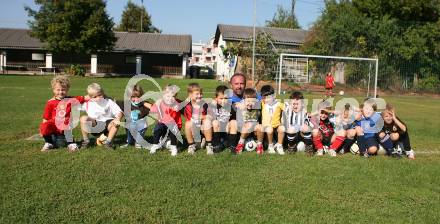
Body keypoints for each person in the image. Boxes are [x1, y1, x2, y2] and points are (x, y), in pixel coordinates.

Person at [40, 75, 87, 152]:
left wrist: (99, 95)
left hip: (66, 124)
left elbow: (85, 98)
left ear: (67, 89)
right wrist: (43, 130)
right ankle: (49, 143)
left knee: (66, 122)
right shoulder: (50, 102)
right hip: (54, 125)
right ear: (53, 90)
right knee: (45, 125)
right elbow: (46, 118)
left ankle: (71, 143)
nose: (61, 92)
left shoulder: (71, 99)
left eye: (63, 90)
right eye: (58, 90)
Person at [80, 83, 123, 149]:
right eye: (95, 97)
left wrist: (118, 118)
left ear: (102, 93)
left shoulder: (108, 101)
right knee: (83, 118)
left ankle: (108, 143)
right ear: (90, 97)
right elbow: (73, 103)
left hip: (108, 126)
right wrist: (83, 98)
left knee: (116, 122)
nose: (98, 98)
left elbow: (119, 112)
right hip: (95, 126)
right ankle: (86, 141)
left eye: (100, 95)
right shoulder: (88, 103)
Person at [147, 84, 182, 156]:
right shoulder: (160, 102)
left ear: (176, 97)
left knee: (173, 129)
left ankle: (174, 147)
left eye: (173, 96)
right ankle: (155, 145)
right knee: (157, 128)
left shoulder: (176, 103)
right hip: (163, 123)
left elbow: (180, 106)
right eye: (168, 96)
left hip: (174, 124)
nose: (170, 98)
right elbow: (152, 110)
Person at [205, 85, 237, 153]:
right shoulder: (212, 105)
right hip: (217, 129)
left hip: (227, 130)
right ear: (216, 98)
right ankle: (217, 145)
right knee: (215, 122)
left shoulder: (232, 106)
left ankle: (232, 146)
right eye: (221, 98)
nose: (223, 101)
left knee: (234, 122)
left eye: (226, 98)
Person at [182, 83, 211, 155]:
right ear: (190, 95)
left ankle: (209, 145)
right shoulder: (187, 105)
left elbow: (210, 116)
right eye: (197, 94)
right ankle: (191, 145)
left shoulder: (205, 104)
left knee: (207, 122)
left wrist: (202, 117)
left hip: (202, 128)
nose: (200, 96)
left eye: (201, 93)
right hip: (193, 128)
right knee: (187, 124)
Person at [118, 84, 150, 149]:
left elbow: (153, 108)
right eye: (133, 97)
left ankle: (138, 142)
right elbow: (118, 107)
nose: (136, 99)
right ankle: (129, 142)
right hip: (129, 124)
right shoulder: (127, 104)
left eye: (138, 97)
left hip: (141, 125)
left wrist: (144, 103)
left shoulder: (144, 104)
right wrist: (118, 119)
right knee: (129, 133)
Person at [234, 88, 263, 154]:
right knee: (246, 126)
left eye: (252, 101)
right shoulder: (241, 107)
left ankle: (259, 145)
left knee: (260, 127)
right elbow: (233, 105)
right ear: (244, 100)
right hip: (244, 130)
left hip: (254, 129)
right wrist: (238, 104)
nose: (250, 103)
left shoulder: (258, 106)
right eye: (248, 101)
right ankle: (240, 144)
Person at [260, 85, 285, 155]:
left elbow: (288, 108)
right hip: (267, 126)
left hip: (276, 125)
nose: (267, 99)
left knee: (282, 128)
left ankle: (279, 145)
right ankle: (270, 145)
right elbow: (252, 101)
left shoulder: (278, 104)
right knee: (269, 129)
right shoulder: (262, 103)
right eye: (264, 97)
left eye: (269, 97)